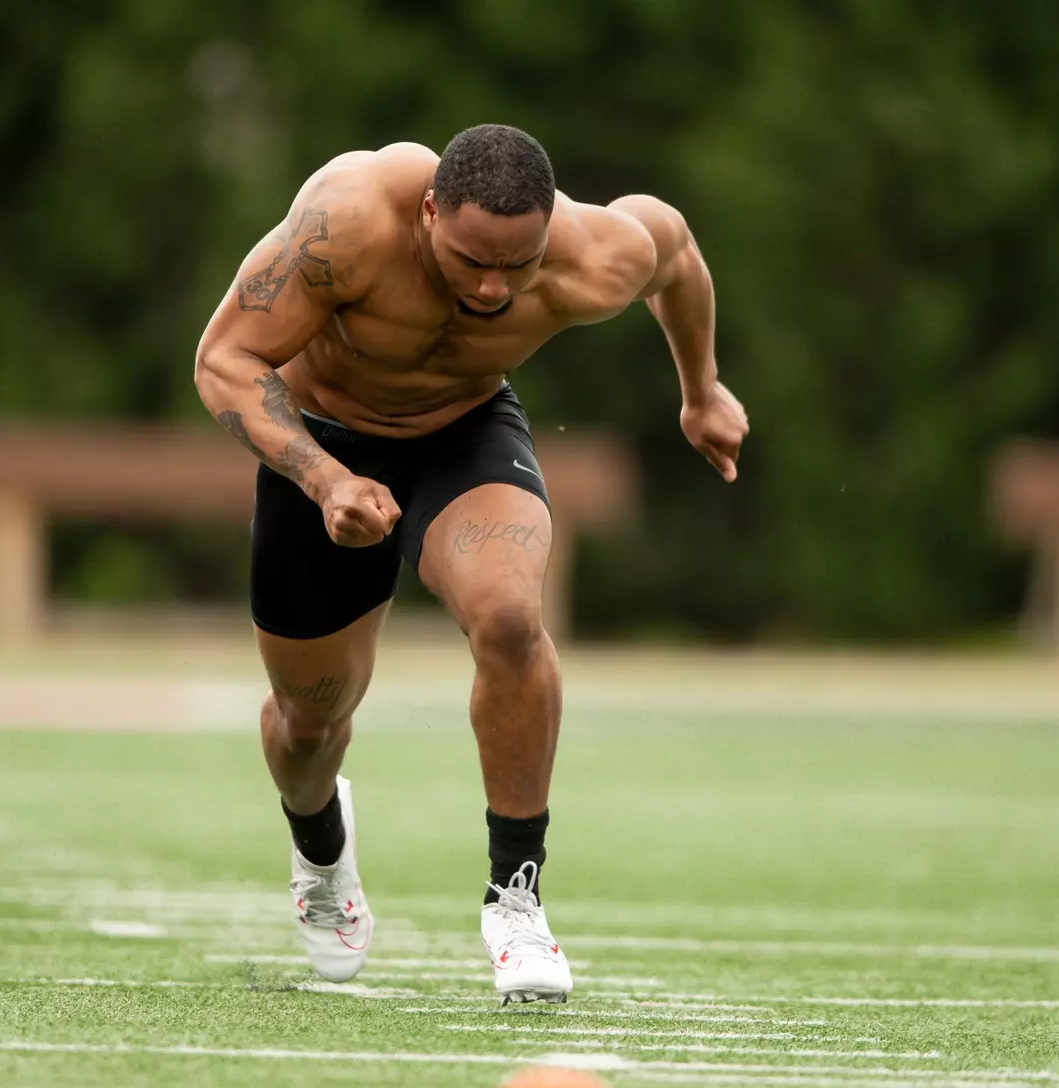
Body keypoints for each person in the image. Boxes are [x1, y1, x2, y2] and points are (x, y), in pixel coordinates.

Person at [194, 124, 747, 1005]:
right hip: (322, 439)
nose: (492, 287)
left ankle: (514, 898)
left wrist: (701, 389)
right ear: (428, 213)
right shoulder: (348, 221)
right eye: (470, 261)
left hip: (464, 433)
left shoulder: (589, 256)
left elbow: (675, 251)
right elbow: (223, 358)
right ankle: (321, 849)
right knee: (307, 724)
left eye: (515, 265)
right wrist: (326, 480)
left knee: (509, 617)